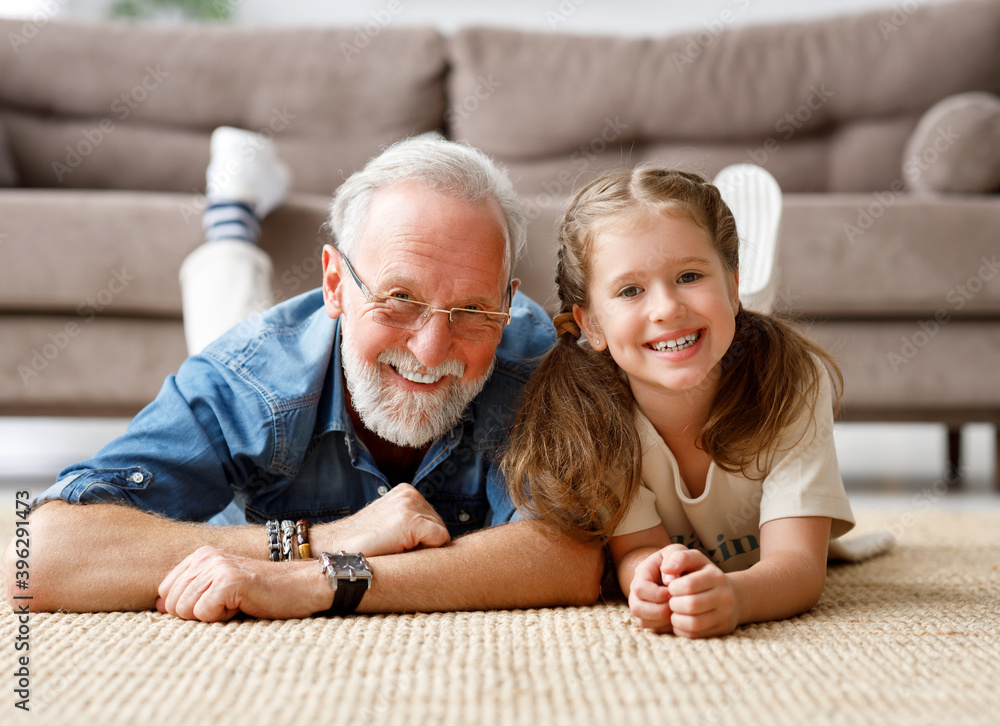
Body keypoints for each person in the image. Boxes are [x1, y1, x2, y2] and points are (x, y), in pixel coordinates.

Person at [2, 135, 604, 620]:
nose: (432, 346)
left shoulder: (532, 356)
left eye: (473, 310)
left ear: (506, 301)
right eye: (398, 298)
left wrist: (325, 580)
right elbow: (39, 557)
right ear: (336, 286)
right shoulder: (251, 377)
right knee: (230, 325)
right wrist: (321, 537)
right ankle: (231, 214)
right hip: (285, 367)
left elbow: (568, 558)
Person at [501, 167, 859, 639]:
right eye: (631, 290)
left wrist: (736, 597)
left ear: (733, 287)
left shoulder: (792, 382)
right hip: (631, 386)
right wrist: (652, 580)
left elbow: (798, 565)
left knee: (747, 350)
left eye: (689, 275)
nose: (667, 307)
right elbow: (637, 550)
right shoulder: (588, 414)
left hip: (753, 368)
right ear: (591, 326)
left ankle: (750, 308)